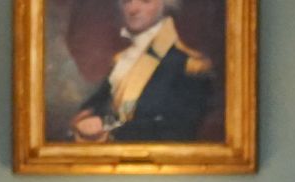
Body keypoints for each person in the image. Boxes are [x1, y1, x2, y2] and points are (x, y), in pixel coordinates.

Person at [69, 0, 214, 143]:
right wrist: (89, 121)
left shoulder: (189, 65)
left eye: (145, 1)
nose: (132, 9)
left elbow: (178, 130)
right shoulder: (122, 59)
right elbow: (96, 105)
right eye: (127, 1)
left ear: (166, 4)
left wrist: (109, 130)